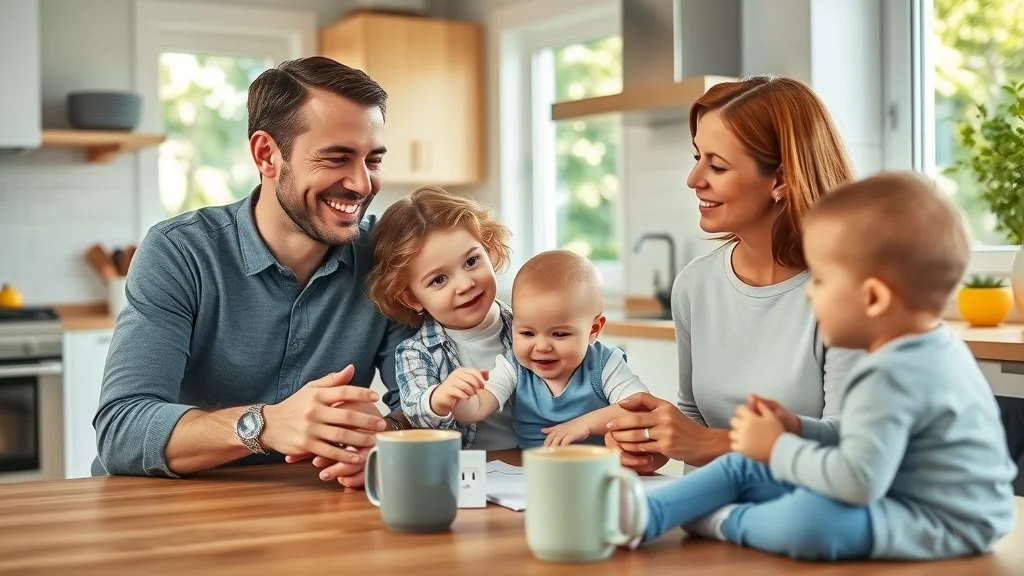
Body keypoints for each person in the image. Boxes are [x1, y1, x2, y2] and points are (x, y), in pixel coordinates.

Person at [627, 172, 1019, 561]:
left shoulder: (892, 374)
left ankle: (722, 521)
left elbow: (856, 481)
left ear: (873, 298)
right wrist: (797, 428)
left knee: (812, 520)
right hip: (893, 491)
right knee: (746, 463)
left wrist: (778, 447)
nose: (809, 292)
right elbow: (853, 437)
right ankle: (648, 512)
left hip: (940, 519)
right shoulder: (927, 348)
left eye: (822, 280)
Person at [93, 56, 415, 488]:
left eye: (372, 160)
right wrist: (264, 425)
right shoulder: (180, 252)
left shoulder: (386, 256)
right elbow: (122, 430)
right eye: (337, 158)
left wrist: (382, 435)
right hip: (175, 507)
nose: (362, 184)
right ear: (267, 154)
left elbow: (427, 403)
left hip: (312, 506)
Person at [605, 74, 863, 474]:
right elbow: (697, 419)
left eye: (718, 166)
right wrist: (660, 441)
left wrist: (702, 443)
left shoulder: (850, 294)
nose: (694, 180)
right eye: (697, 158)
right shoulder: (695, 285)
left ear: (780, 179)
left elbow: (850, 450)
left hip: (806, 523)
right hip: (711, 515)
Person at [365, 185, 519, 450]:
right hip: (462, 470)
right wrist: (438, 398)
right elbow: (414, 408)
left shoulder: (525, 325)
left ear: (489, 249)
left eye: (471, 262)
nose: (464, 284)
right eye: (439, 279)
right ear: (412, 299)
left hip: (533, 460)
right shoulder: (416, 352)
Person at [447, 250, 649, 448]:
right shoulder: (512, 367)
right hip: (531, 468)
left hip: (592, 468)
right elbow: (476, 409)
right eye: (527, 333)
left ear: (593, 329)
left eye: (559, 334)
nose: (542, 347)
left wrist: (584, 425)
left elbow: (640, 406)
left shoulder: (605, 363)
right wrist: (455, 398)